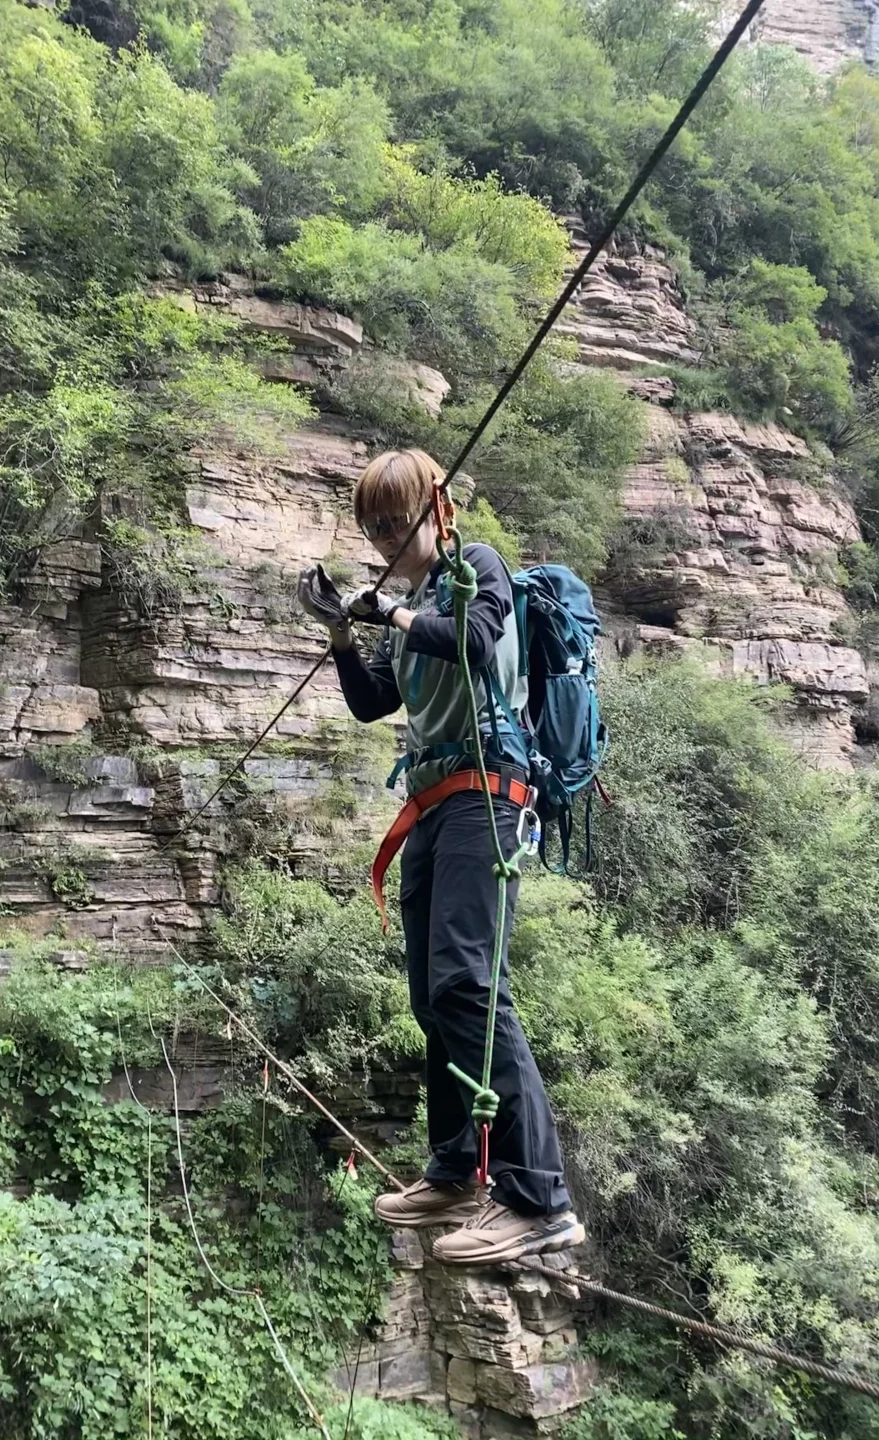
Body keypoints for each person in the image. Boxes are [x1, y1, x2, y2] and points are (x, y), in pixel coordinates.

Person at [296, 448, 583, 1265]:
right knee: (431, 994)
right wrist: (342, 631)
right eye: (374, 525)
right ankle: (458, 1170)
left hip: (488, 791)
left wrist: (382, 614)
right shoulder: (414, 602)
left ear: (435, 508)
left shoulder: (473, 570)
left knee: (469, 982)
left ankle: (539, 1198)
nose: (386, 534)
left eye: (397, 518)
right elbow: (372, 702)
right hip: (430, 802)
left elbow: (479, 630)